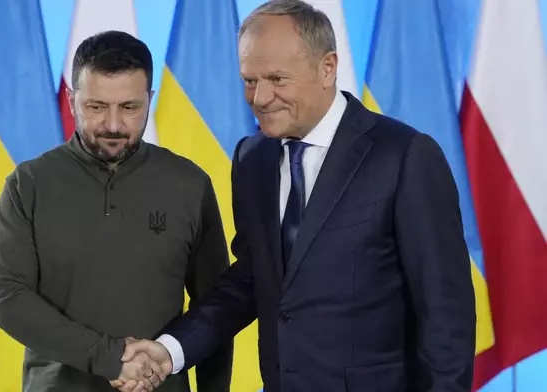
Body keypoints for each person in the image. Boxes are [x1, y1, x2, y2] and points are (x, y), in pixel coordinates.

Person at [119, 1, 477, 391]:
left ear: (327, 68)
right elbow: (252, 280)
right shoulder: (252, 158)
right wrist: (170, 350)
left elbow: (446, 313)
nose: (259, 97)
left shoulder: (404, 156)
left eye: (276, 78)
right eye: (249, 80)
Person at [0, 30, 233, 392]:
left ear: (150, 100)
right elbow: (8, 299)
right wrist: (111, 357)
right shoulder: (28, 185)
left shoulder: (190, 184)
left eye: (130, 107)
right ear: (72, 100)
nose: (114, 125)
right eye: (97, 106)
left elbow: (214, 309)